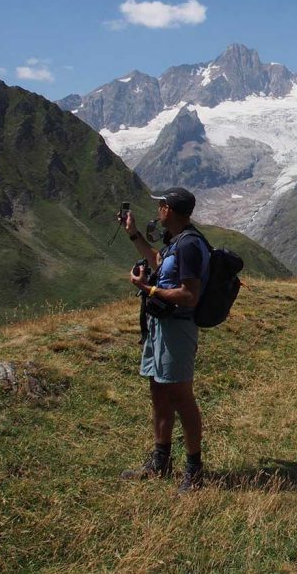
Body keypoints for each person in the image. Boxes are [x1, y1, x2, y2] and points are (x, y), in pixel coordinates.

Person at [121, 186, 211, 493]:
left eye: (160, 205)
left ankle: (194, 470)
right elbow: (160, 262)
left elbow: (189, 295)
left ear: (168, 210)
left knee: (181, 398)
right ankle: (160, 461)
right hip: (161, 326)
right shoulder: (177, 241)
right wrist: (133, 235)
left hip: (178, 329)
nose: (158, 209)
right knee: (158, 389)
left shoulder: (189, 246)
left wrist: (148, 290)